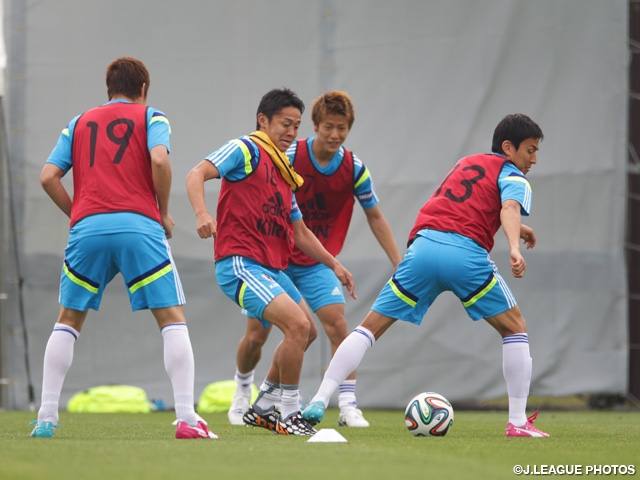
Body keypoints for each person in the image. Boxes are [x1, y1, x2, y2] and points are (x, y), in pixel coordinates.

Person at [301, 113, 550, 438]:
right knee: (515, 328)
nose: (533, 158)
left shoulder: (467, 163)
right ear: (508, 147)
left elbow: (469, 205)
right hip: (465, 255)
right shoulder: (512, 173)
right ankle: (517, 422)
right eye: (530, 150)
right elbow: (509, 208)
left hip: (423, 248)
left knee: (369, 329)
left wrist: (518, 229)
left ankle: (320, 398)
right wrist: (514, 247)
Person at [32, 57, 216, 440]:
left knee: (67, 320)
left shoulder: (78, 122)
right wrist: (163, 211)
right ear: (144, 88)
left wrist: (78, 214)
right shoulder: (152, 117)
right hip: (139, 225)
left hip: (87, 228)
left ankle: (46, 419)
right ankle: (186, 419)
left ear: (108, 88)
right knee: (171, 318)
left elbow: (48, 177)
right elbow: (160, 159)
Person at [185, 87, 356, 436]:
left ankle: (263, 404)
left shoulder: (283, 171)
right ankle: (290, 411)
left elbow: (302, 233)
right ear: (263, 121)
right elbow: (195, 174)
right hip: (240, 263)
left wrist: (335, 265)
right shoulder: (245, 148)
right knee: (294, 326)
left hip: (270, 268)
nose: (291, 132)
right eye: (284, 124)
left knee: (305, 331)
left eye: (295, 126)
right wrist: (202, 213)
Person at [226, 90, 402, 428]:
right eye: (328, 128)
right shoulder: (287, 155)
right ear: (315, 125)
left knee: (337, 327)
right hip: (275, 258)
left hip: (315, 261)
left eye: (342, 128)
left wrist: (399, 262)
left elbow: (375, 217)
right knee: (256, 336)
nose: (335, 135)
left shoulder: (354, 168)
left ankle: (348, 405)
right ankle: (242, 391)